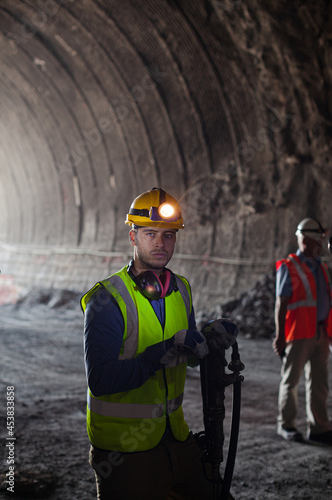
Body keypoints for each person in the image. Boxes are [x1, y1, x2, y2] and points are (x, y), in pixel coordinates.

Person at [81, 187, 233, 500]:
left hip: (175, 435)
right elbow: (101, 380)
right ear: (133, 237)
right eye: (150, 233)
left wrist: (207, 338)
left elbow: (188, 355)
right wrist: (160, 354)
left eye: (169, 235)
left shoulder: (180, 288)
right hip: (124, 449)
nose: (161, 244)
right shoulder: (107, 299)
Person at [273, 217, 332, 444]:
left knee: (319, 382)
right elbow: (281, 302)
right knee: (291, 381)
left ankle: (319, 427)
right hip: (298, 333)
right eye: (318, 240)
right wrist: (279, 336)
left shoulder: (321, 267)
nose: (321, 245)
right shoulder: (289, 267)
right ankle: (286, 425)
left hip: (320, 332)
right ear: (306, 239)